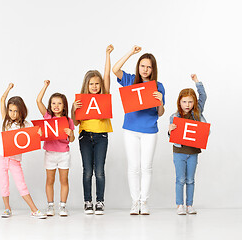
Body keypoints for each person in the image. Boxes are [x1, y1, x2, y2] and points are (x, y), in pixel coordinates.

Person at [112, 46, 165, 215]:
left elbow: (160, 113)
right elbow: (115, 69)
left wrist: (160, 102)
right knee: (133, 167)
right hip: (130, 130)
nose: (145, 69)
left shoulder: (158, 86)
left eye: (149, 67)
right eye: (142, 65)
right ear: (138, 66)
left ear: (153, 69)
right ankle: (135, 202)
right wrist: (130, 53)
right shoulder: (130, 80)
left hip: (149, 130)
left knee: (146, 167)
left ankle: (144, 202)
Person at [0, 83, 47, 219]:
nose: (13, 114)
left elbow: (36, 133)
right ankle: (7, 208)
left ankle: (34, 209)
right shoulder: (5, 120)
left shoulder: (25, 124)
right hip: (2, 157)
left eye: (16, 111)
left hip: (14, 159)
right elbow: (2, 100)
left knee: (21, 184)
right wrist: (8, 89)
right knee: (4, 184)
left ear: (21, 111)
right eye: (11, 110)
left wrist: (39, 132)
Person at [71, 45, 114, 215]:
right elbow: (75, 123)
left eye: (97, 84)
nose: (95, 86)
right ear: (86, 85)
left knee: (100, 171)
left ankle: (100, 201)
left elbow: (107, 75)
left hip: (101, 136)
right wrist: (74, 109)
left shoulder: (103, 97)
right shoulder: (81, 101)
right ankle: (88, 201)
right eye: (92, 84)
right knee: (87, 170)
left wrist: (107, 55)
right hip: (85, 137)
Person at [169, 74, 207, 215]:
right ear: (179, 102)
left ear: (194, 103)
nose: (187, 105)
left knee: (190, 180)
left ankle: (189, 205)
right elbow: (171, 136)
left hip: (193, 152)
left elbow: (203, 96)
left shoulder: (197, 113)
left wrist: (197, 82)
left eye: (190, 102)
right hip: (179, 152)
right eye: (184, 102)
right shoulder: (175, 116)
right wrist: (170, 131)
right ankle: (180, 205)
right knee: (180, 179)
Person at [36, 80, 75, 216]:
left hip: (64, 154)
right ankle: (50, 205)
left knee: (64, 180)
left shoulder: (68, 120)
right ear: (50, 105)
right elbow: (38, 100)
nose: (56, 106)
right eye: (53, 103)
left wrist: (71, 134)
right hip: (50, 153)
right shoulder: (48, 117)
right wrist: (45, 86)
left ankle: (63, 206)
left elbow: (71, 139)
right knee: (50, 180)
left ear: (64, 105)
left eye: (59, 103)